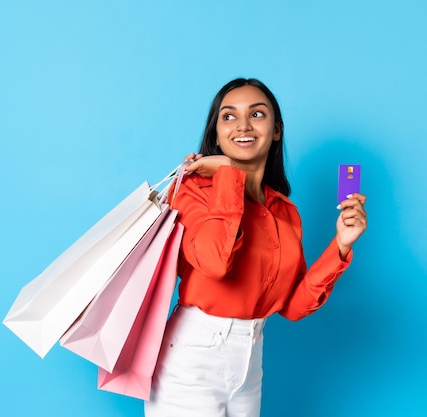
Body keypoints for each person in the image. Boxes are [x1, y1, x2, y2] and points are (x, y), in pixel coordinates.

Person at [144, 78, 368, 417]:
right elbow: (215, 263)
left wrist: (340, 245)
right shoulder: (191, 191)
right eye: (229, 117)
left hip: (251, 359)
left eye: (257, 114)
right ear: (216, 133)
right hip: (192, 359)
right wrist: (229, 174)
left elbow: (292, 307)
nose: (243, 126)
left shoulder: (285, 211)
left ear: (276, 130)